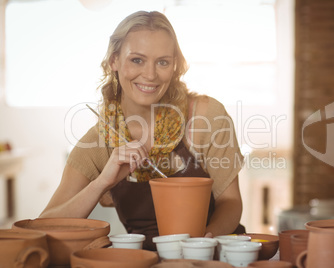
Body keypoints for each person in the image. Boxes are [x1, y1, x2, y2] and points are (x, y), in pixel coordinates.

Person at [40, 10, 245, 250]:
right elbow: (44, 227)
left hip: (212, 253)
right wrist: (102, 184)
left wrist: (201, 244)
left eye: (162, 62)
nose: (150, 75)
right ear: (114, 61)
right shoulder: (100, 140)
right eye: (137, 60)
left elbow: (231, 202)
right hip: (142, 260)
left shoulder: (205, 117)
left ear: (174, 65)